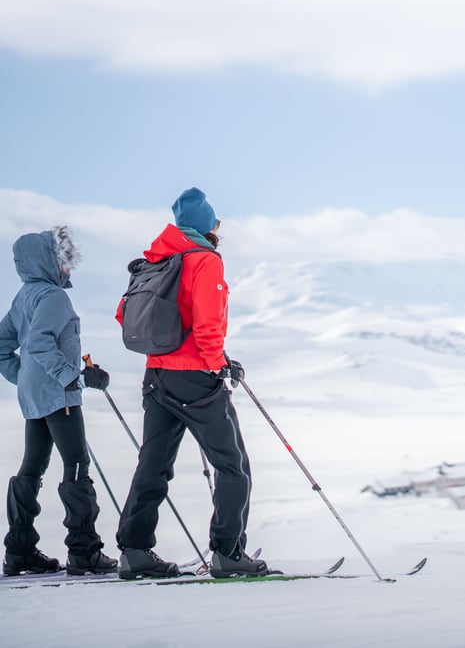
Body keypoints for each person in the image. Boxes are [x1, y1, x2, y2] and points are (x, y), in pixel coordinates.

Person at [115, 187, 268, 579]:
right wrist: (220, 364)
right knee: (232, 465)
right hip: (195, 378)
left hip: (155, 376)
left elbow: (123, 315)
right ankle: (228, 553)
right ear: (207, 226)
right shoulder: (204, 261)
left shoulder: (156, 259)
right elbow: (207, 325)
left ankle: (134, 551)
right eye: (216, 224)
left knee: (153, 464)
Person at [0, 226, 118, 576]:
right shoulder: (53, 297)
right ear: (48, 261)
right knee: (77, 465)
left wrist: (23, 376)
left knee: (32, 467)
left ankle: (19, 551)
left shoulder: (25, 296)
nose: (68, 268)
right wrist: (76, 377)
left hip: (34, 396)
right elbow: (39, 344)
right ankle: (83, 550)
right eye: (63, 261)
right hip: (58, 394)